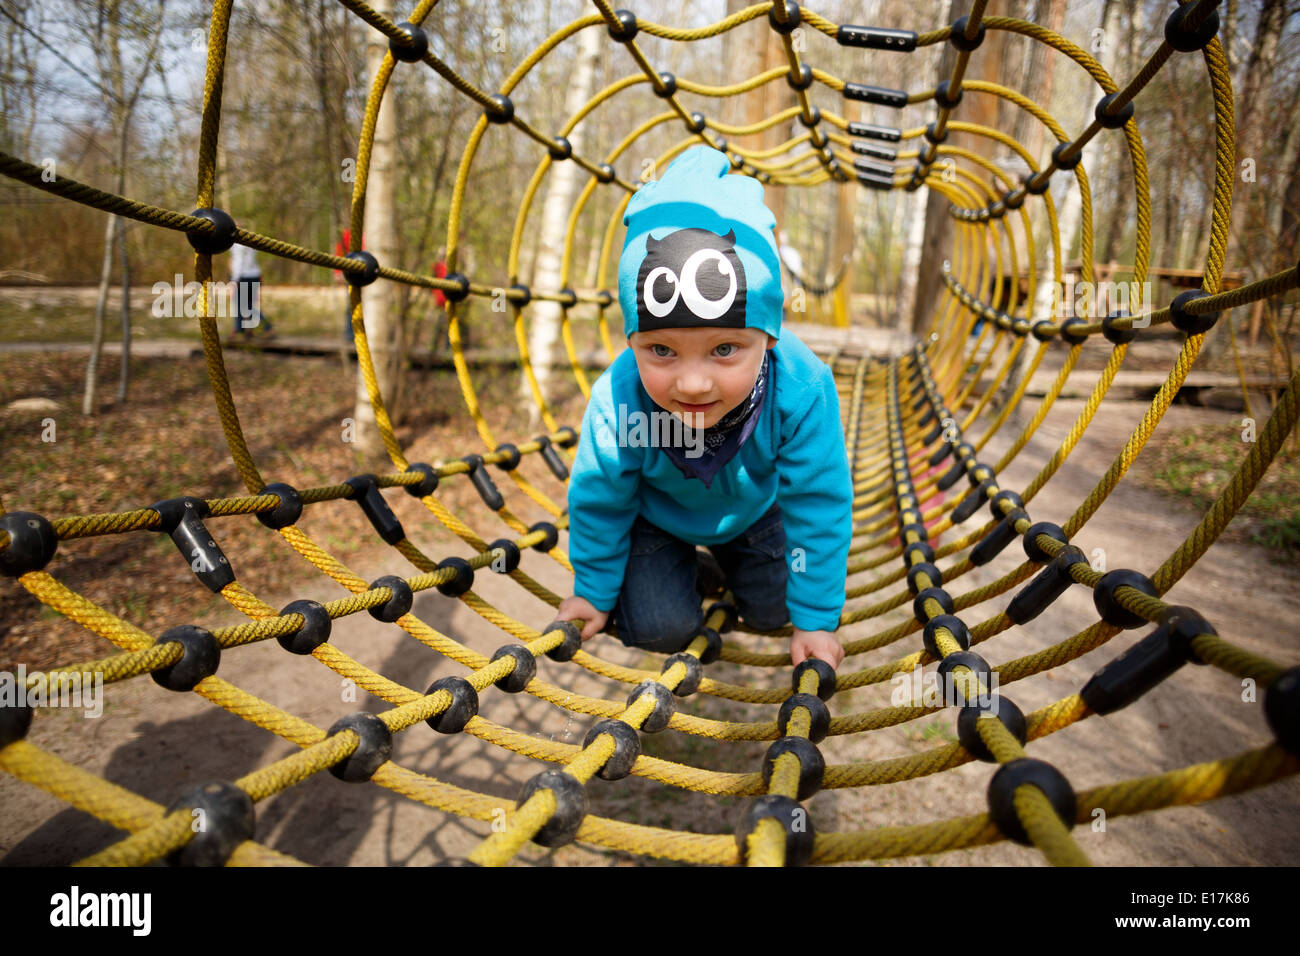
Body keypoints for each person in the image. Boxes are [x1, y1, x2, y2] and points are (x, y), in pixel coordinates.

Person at [553, 145, 852, 668]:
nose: (692, 382)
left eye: (724, 349)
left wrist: (816, 619)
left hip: (756, 512)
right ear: (632, 341)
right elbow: (600, 497)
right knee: (658, 629)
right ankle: (693, 570)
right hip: (657, 519)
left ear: (769, 337)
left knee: (771, 612)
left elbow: (819, 501)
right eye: (661, 350)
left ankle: (733, 569)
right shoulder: (621, 398)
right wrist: (593, 592)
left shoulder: (801, 389)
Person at [229, 240, 272, 338]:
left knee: (241, 304)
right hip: (255, 275)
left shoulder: (236, 245)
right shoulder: (250, 243)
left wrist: (235, 280)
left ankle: (240, 329)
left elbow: (238, 262)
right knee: (248, 304)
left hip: (243, 277)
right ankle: (247, 331)